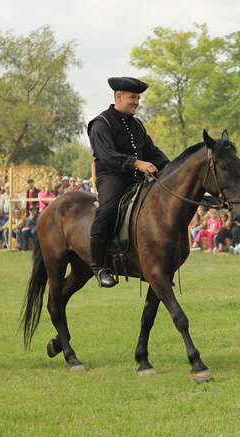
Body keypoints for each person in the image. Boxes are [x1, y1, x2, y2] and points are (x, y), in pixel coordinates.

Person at [87, 76, 170, 287]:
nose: (136, 102)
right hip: (112, 178)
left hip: (137, 179)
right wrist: (137, 163)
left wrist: (171, 167)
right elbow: (107, 155)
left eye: (138, 98)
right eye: (133, 97)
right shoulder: (100, 123)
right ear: (118, 96)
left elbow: (151, 150)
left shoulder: (138, 124)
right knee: (107, 210)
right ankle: (98, 266)